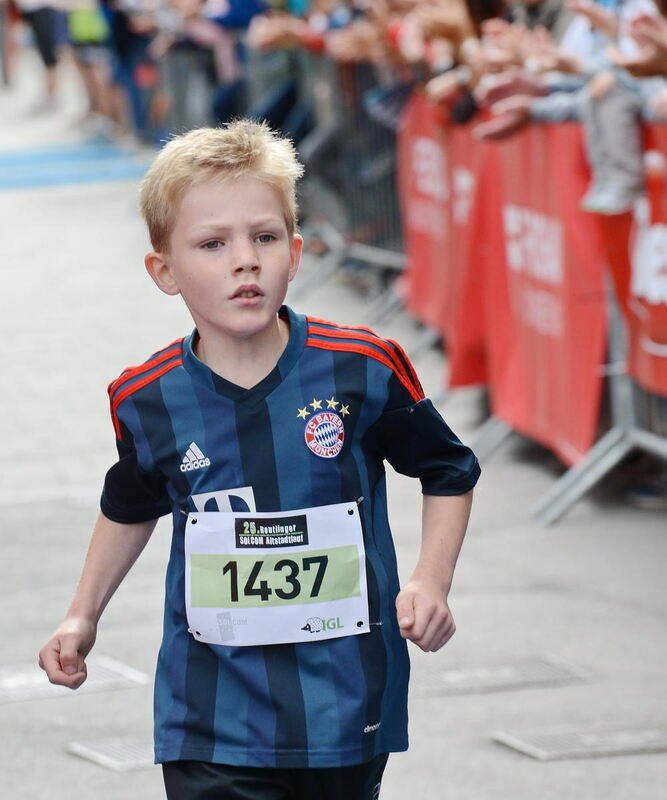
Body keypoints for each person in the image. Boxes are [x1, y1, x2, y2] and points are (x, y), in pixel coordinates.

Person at [38, 119, 480, 800]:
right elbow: (129, 503)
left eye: (264, 238)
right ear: (164, 271)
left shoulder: (359, 368)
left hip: (345, 701)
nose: (244, 260)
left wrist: (429, 580)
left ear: (295, 253)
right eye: (212, 244)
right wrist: (82, 615)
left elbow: (448, 470)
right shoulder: (146, 398)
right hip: (208, 711)